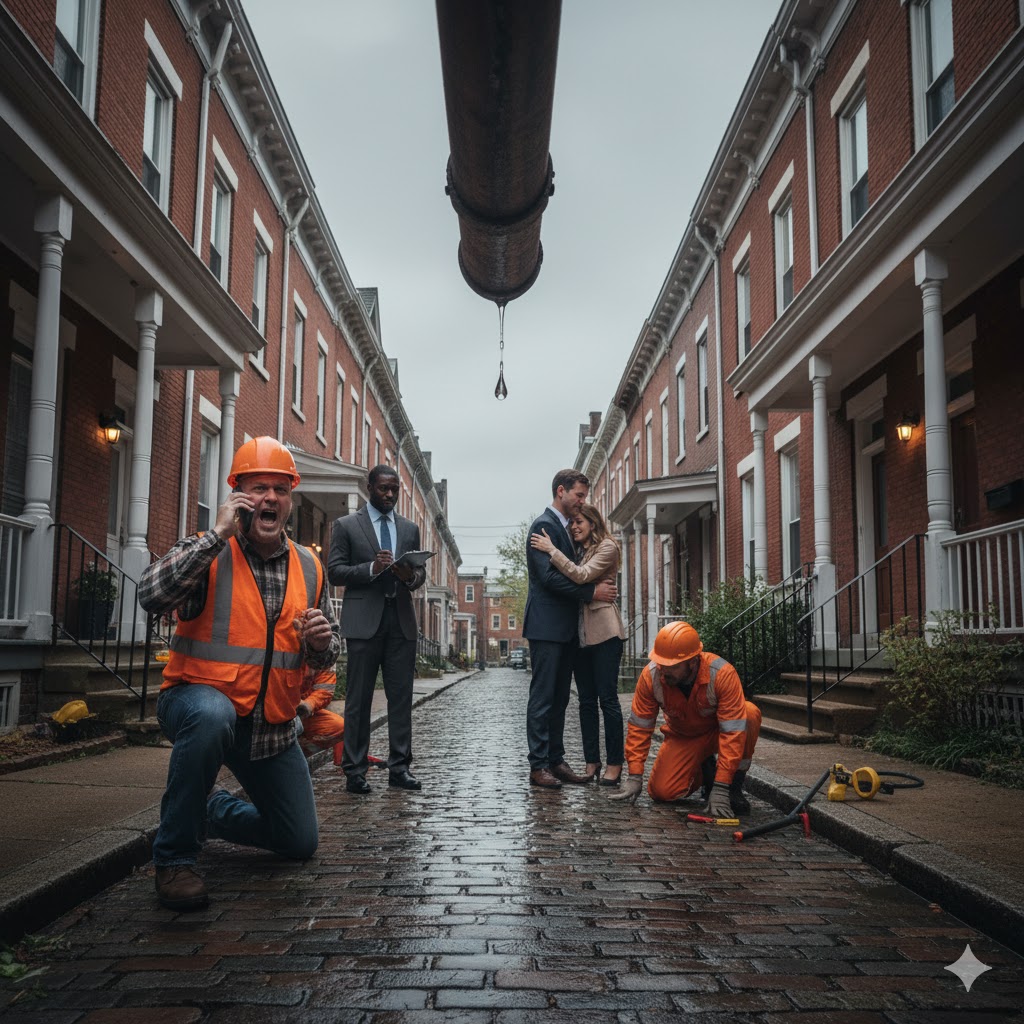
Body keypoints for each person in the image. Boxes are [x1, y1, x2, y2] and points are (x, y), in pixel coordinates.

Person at [140, 436, 340, 912]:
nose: (270, 498)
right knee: (211, 716)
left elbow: (328, 657)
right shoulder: (208, 550)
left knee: (298, 842)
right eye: (258, 488)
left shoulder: (310, 567)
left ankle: (205, 810)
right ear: (238, 495)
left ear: (290, 499)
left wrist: (319, 643)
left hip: (269, 728)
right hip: (197, 704)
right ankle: (174, 859)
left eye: (280, 489)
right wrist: (216, 535)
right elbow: (150, 594)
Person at [327, 464, 427, 794]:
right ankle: (355, 771)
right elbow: (335, 572)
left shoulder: (409, 529)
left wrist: (407, 576)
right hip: (363, 623)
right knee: (358, 700)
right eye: (384, 488)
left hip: (401, 623)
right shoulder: (346, 525)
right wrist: (372, 567)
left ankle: (400, 768)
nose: (390, 494)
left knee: (401, 700)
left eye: (394, 490)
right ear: (370, 487)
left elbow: (419, 576)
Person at [523, 469, 617, 789]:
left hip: (567, 630)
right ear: (561, 491)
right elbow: (548, 579)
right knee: (543, 697)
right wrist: (590, 594)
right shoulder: (543, 526)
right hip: (546, 626)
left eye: (584, 497)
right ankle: (538, 766)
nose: (582, 502)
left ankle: (556, 760)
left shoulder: (566, 529)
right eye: (579, 495)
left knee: (561, 697)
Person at [610, 620, 761, 816]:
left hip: (720, 733)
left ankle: (733, 788)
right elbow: (640, 727)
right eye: (661, 663)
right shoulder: (651, 677)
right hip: (684, 736)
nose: (664, 670)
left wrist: (723, 787)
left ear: (693, 661)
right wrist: (635, 775)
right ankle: (705, 769)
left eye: (671, 666)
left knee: (749, 714)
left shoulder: (721, 674)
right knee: (662, 792)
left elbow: (733, 733)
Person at [296, 666, 345, 759]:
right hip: (278, 709)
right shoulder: (285, 655)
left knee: (339, 727)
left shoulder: (326, 657)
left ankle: (300, 755)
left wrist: (308, 705)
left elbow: (324, 690)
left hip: (304, 711)